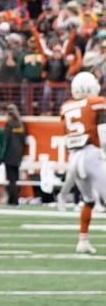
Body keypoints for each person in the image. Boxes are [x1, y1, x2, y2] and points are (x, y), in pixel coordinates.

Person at [59, 72, 106, 254]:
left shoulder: (66, 107)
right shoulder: (96, 103)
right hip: (92, 155)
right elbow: (103, 133)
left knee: (89, 200)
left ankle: (83, 241)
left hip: (75, 158)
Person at [1, 104, 28, 207]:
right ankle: (15, 198)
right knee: (15, 178)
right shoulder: (21, 125)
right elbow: (23, 140)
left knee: (10, 178)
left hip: (9, 154)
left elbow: (6, 140)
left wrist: (2, 154)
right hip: (18, 154)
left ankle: (13, 199)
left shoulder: (9, 124)